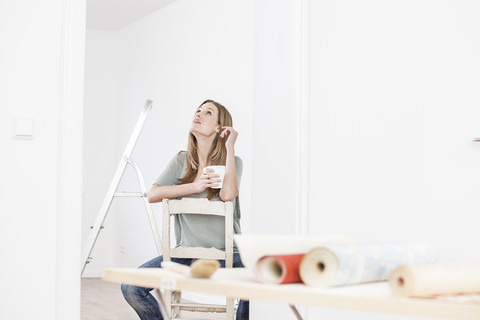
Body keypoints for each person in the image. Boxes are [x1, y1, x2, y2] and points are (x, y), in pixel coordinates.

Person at [121, 99, 249, 320]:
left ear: (220, 128)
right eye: (197, 110)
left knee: (253, 283)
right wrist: (194, 186)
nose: (198, 114)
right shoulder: (181, 160)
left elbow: (228, 195)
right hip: (186, 255)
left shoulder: (233, 161)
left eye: (208, 112)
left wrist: (230, 147)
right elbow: (153, 195)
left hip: (231, 255)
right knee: (131, 287)